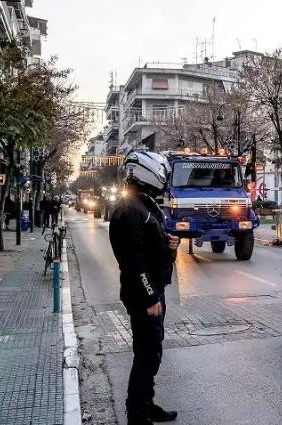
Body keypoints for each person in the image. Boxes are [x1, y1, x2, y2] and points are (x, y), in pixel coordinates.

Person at [109, 151, 180, 425]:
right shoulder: (129, 210)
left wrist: (170, 247)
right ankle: (136, 413)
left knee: (153, 351)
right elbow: (134, 262)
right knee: (146, 354)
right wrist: (150, 296)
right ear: (148, 173)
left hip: (152, 290)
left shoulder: (144, 205)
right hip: (143, 295)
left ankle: (146, 404)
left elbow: (152, 250)